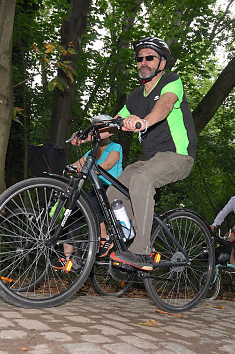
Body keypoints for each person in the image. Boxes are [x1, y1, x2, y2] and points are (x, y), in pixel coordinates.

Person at [75, 37, 196, 271]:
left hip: (178, 156)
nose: (143, 62)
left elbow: (165, 107)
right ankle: (129, 239)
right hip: (149, 160)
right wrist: (88, 135)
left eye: (149, 57)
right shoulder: (135, 97)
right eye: (140, 58)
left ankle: (142, 251)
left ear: (162, 63)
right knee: (113, 191)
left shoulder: (171, 82)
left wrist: (144, 122)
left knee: (141, 181)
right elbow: (113, 123)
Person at [52, 137, 123, 271]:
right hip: (96, 188)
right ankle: (66, 258)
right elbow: (77, 164)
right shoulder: (92, 152)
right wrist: (65, 169)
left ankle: (105, 238)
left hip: (112, 188)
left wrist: (86, 170)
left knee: (92, 203)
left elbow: (107, 165)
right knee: (73, 213)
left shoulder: (115, 147)